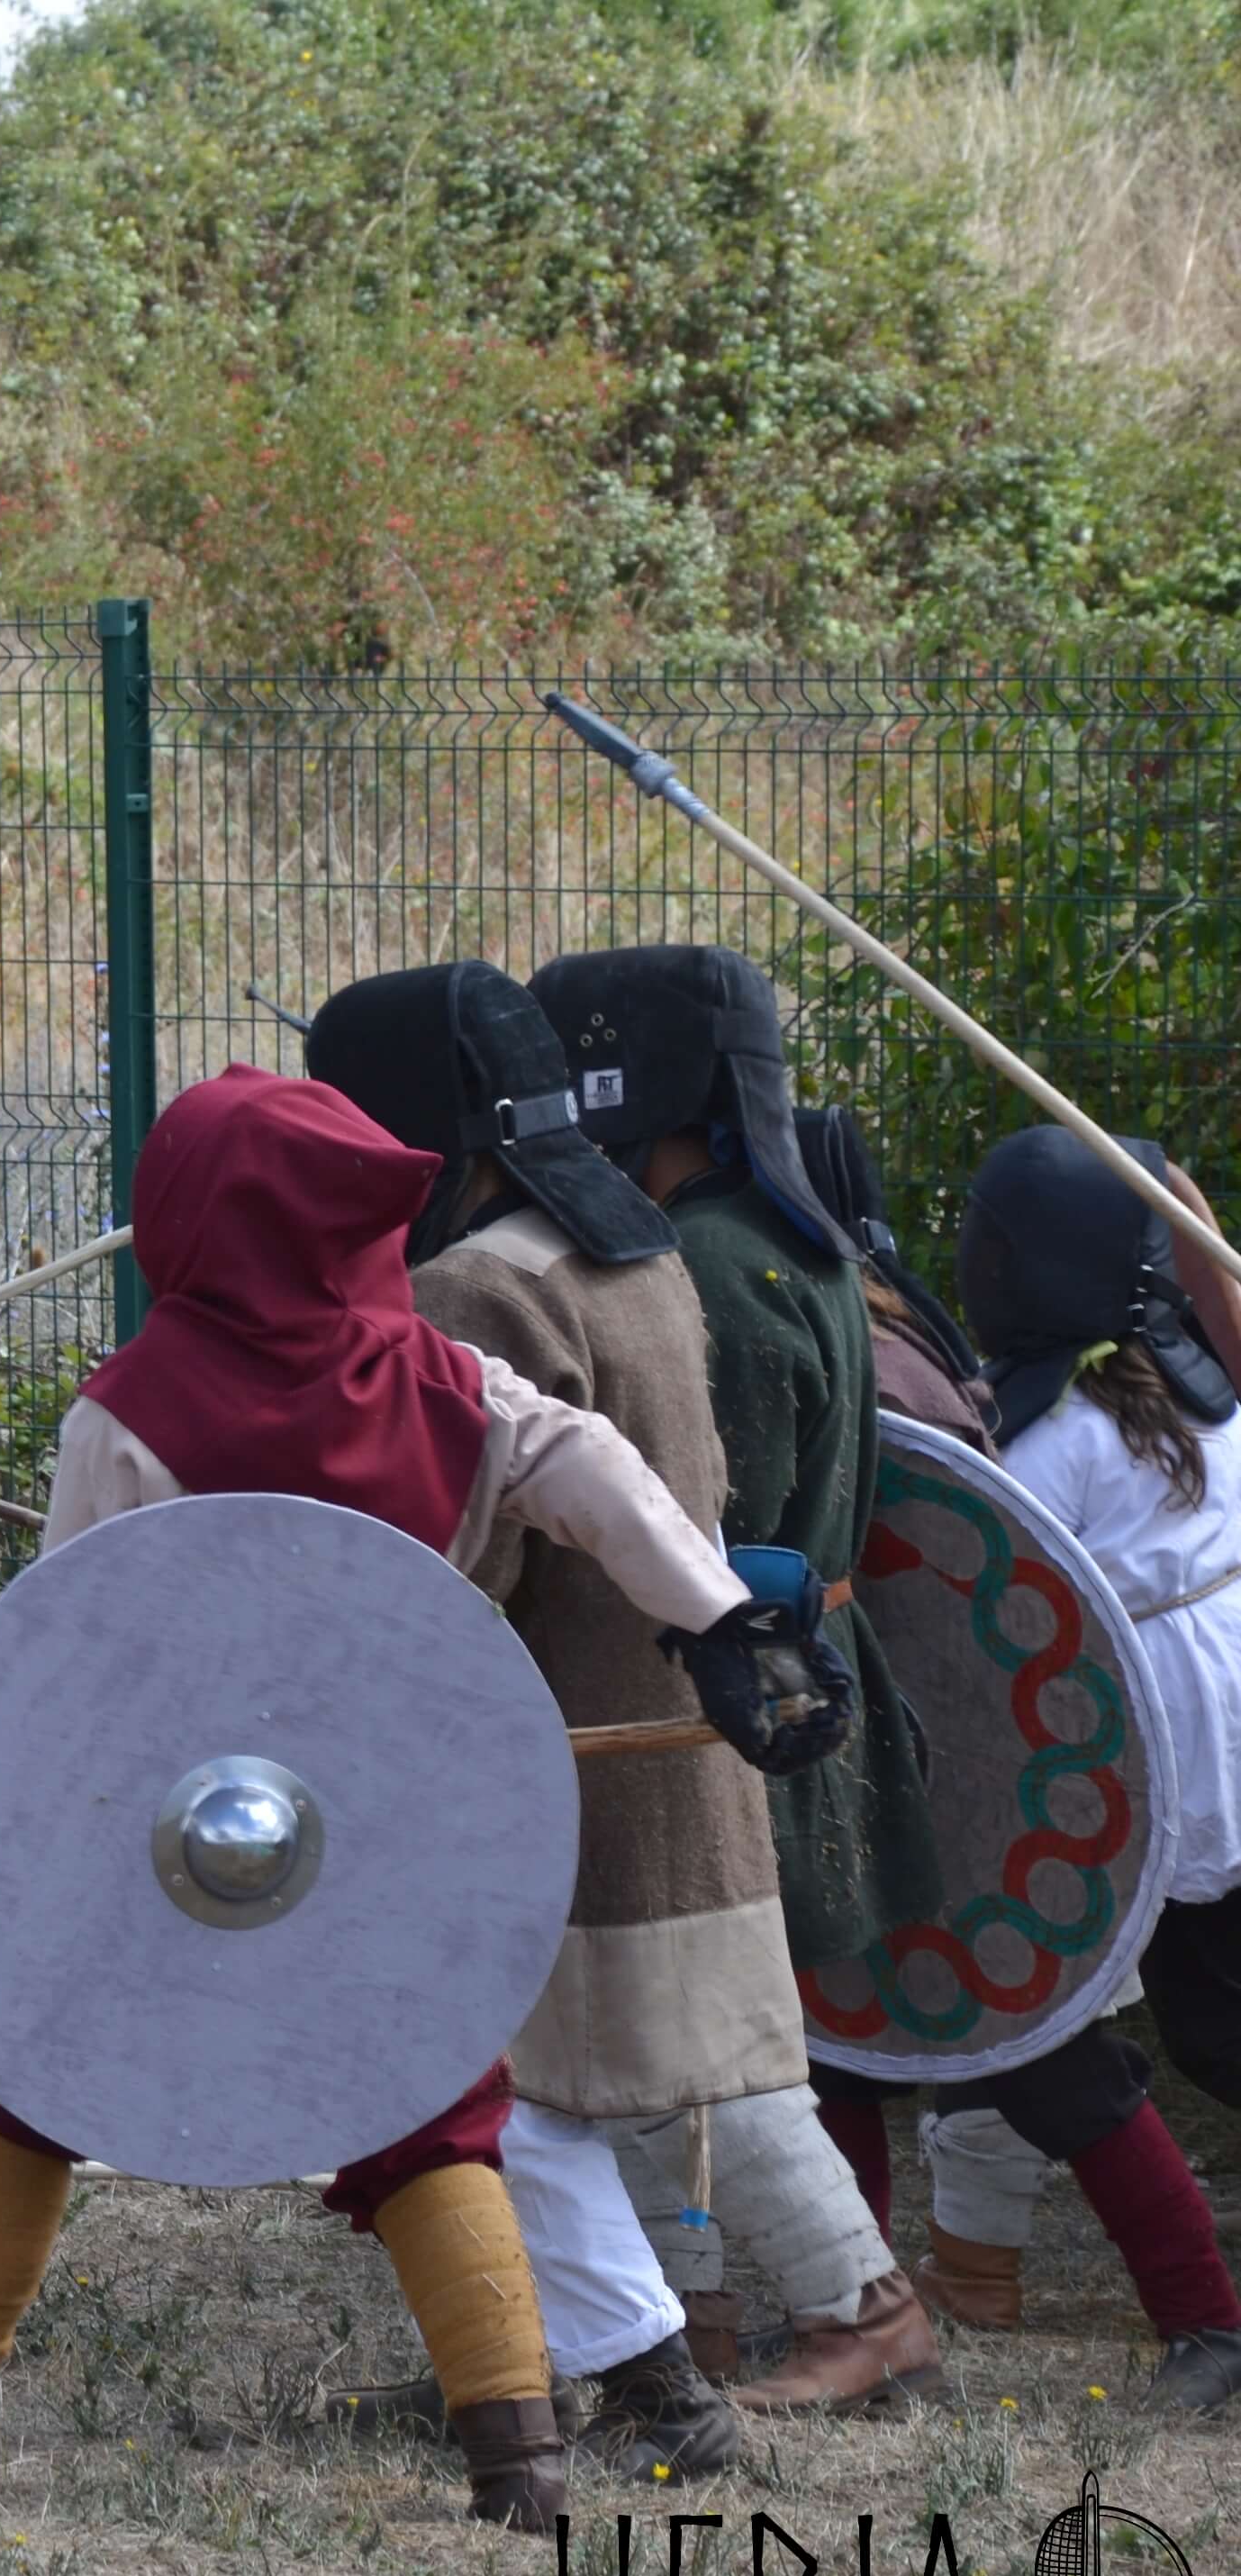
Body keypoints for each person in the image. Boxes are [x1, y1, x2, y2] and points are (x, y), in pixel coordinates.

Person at [0, 1067, 850, 2533]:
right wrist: (715, 1614)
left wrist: (25, 1839)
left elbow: (68, 1665)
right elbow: (588, 1458)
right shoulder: (448, 1385)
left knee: (25, 2059)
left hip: (177, 1826)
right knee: (424, 2106)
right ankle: (519, 2458)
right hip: (392, 1815)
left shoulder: (134, 1410)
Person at [302, 962, 762, 2481]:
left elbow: (447, 1573)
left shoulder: (471, 1290)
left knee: (480, 2081)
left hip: (536, 1750)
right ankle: (518, 2369)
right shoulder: (631, 1251)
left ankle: (643, 2383)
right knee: (517, 2083)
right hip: (653, 1714)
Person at [523, 945, 946, 2414]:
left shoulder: (701, 1260)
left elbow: (706, 1521)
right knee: (660, 2032)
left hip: (724, 1688)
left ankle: (853, 2308)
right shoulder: (797, 1236)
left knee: (686, 2026)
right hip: (775, 1669)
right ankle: (682, 2320)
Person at [838, 1123, 1241, 2410]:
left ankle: (1129, 2304)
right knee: (1054, 2016)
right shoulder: (1201, 1399)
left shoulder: (1047, 1445)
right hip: (1202, 1710)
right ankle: (951, 2278)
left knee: (1104, 2018)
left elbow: (983, 1624)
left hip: (1122, 1746)